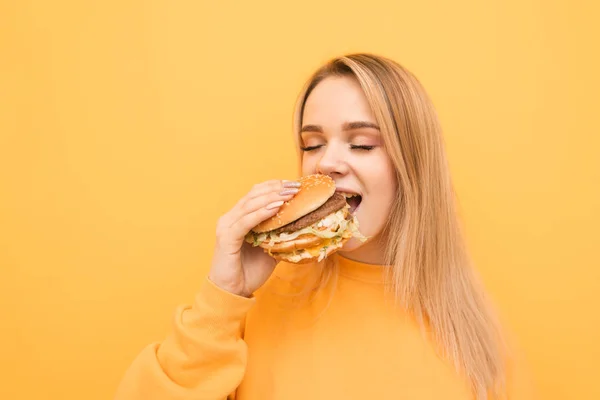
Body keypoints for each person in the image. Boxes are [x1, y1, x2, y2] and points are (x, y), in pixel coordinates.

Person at [114, 53, 535, 399]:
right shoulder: (257, 300)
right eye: (312, 145)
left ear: (413, 166)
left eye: (362, 144)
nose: (326, 163)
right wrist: (223, 299)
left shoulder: (477, 333)